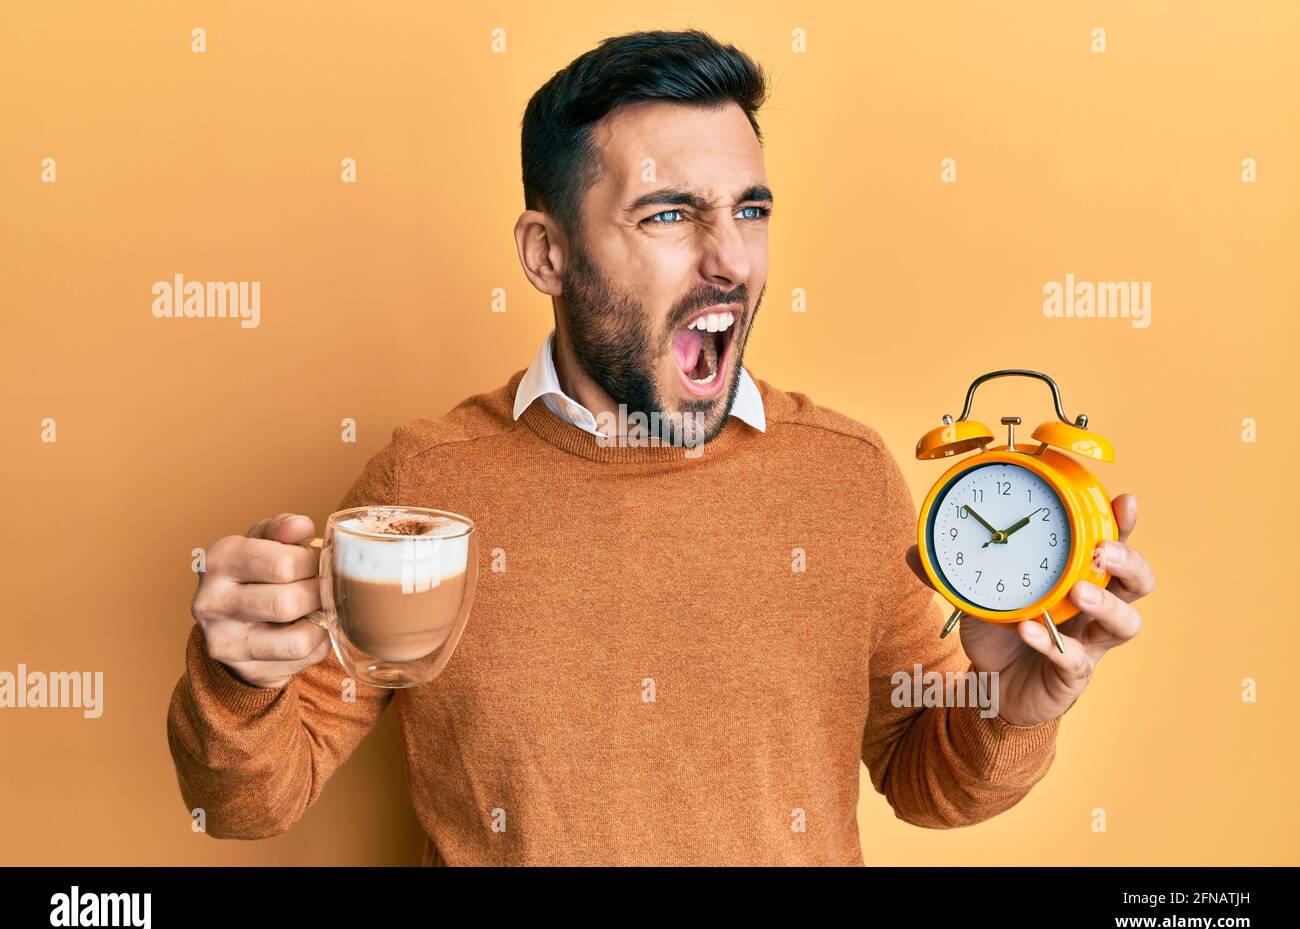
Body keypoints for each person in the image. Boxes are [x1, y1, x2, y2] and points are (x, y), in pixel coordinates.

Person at [167, 29, 1155, 865]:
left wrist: (1010, 705)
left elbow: (927, 780)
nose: (730, 259)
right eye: (670, 214)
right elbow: (250, 799)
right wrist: (239, 678)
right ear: (547, 253)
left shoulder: (843, 474)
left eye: (750, 210)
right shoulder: (422, 489)